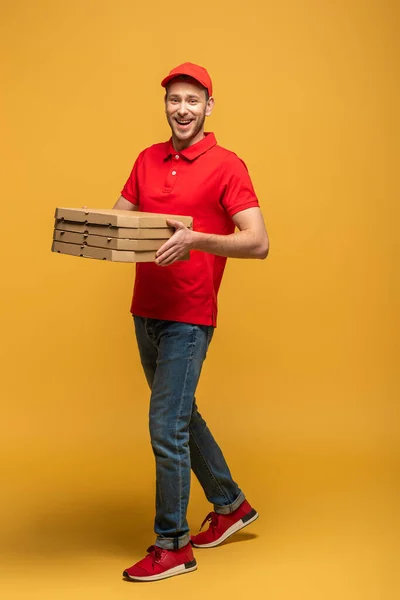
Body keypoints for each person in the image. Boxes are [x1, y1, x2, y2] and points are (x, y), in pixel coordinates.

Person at [114, 62, 269, 582]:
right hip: (146, 310)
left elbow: (258, 241)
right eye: (174, 100)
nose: (182, 109)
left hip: (189, 315)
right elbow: (120, 218)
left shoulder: (227, 165)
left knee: (166, 426)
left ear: (208, 107)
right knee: (182, 417)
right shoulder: (147, 159)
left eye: (192, 101)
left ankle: (173, 544)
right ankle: (230, 504)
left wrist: (197, 237)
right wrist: (88, 231)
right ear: (166, 106)